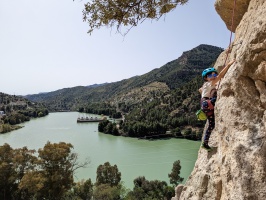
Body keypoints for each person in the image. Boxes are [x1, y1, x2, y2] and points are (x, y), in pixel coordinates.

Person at [199, 59, 235, 151]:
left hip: (205, 106)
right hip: (207, 103)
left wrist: (202, 91)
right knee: (217, 97)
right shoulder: (208, 83)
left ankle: (205, 143)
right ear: (206, 78)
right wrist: (229, 64)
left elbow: (200, 91)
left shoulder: (205, 85)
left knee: (211, 124)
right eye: (210, 75)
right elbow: (221, 76)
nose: (213, 76)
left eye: (214, 74)